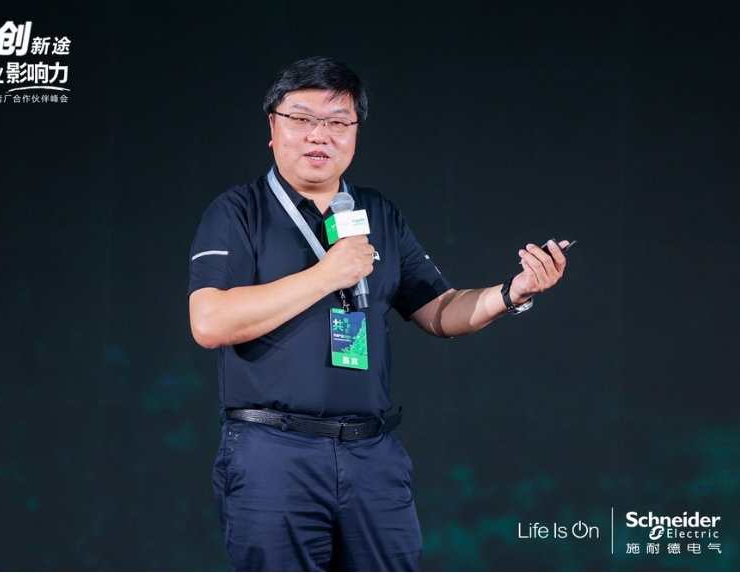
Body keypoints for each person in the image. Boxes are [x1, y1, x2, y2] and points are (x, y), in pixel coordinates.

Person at [187, 56, 570, 572]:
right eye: (302, 118)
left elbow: (439, 310)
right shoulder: (237, 212)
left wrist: (512, 292)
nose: (320, 134)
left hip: (371, 452)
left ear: (355, 134)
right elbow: (209, 322)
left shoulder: (377, 213)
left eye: (338, 121)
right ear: (273, 128)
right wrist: (327, 274)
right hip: (273, 451)